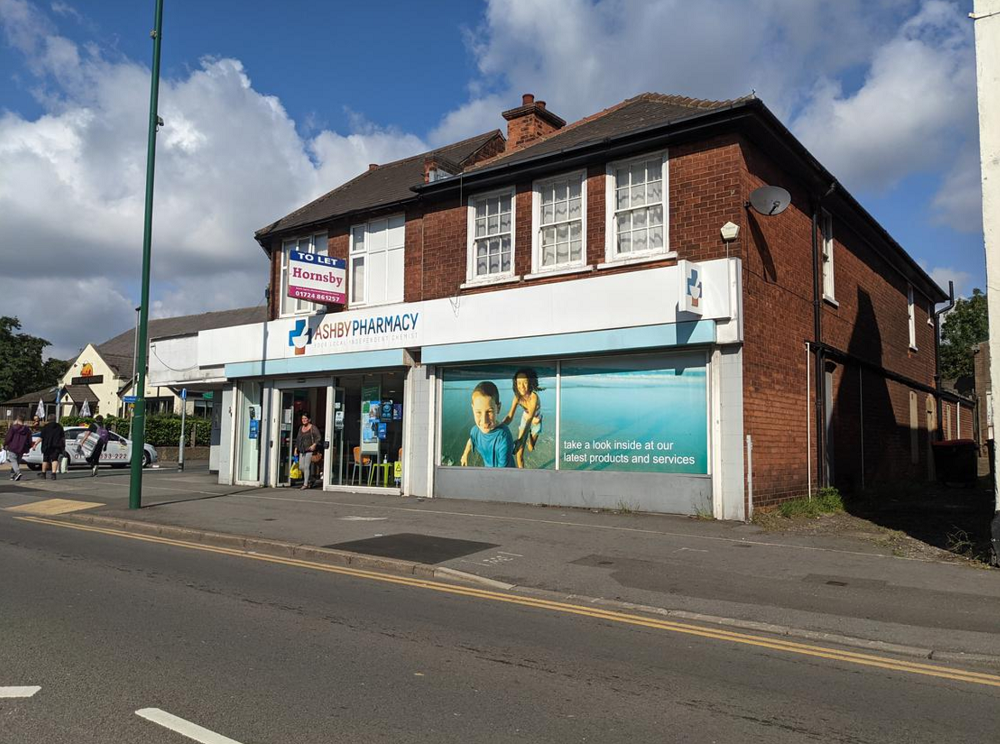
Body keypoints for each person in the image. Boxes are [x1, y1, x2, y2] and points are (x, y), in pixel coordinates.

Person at [460, 381, 514, 468]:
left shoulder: (503, 438)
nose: (484, 421)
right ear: (472, 409)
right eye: (478, 412)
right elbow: (471, 440)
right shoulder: (475, 430)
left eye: (489, 411)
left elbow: (502, 473)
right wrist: (465, 455)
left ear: (498, 408)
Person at [501, 368, 543, 468]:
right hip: (526, 419)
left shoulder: (534, 397)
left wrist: (521, 438)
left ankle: (530, 440)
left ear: (530, 382)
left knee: (531, 448)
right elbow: (510, 416)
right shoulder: (517, 397)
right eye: (519, 383)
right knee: (519, 454)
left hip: (535, 420)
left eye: (525, 382)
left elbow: (530, 420)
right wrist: (499, 426)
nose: (522, 386)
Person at [293, 413, 322, 490]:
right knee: (301, 467)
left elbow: (318, 437)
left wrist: (314, 445)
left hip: (310, 450)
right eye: (303, 418)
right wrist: (296, 449)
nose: (304, 420)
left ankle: (305, 484)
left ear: (309, 420)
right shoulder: (300, 428)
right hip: (302, 450)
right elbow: (298, 439)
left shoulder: (313, 428)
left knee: (306, 467)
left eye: (305, 418)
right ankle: (312, 479)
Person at [3, 415, 33, 482]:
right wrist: (28, 446)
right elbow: (29, 439)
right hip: (21, 447)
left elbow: (8, 437)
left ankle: (18, 472)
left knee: (13, 460)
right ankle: (12, 475)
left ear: (17, 420)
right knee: (17, 462)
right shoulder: (27, 429)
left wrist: (5, 444)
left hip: (13, 446)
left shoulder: (13, 428)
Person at [38, 414, 65, 480]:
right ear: (55, 419)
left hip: (47, 445)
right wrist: (64, 446)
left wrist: (35, 444)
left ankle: (43, 474)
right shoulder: (59, 427)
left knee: (45, 460)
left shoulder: (45, 427)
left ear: (48, 419)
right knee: (54, 459)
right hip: (56, 446)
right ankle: (53, 474)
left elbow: (41, 437)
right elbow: (63, 438)